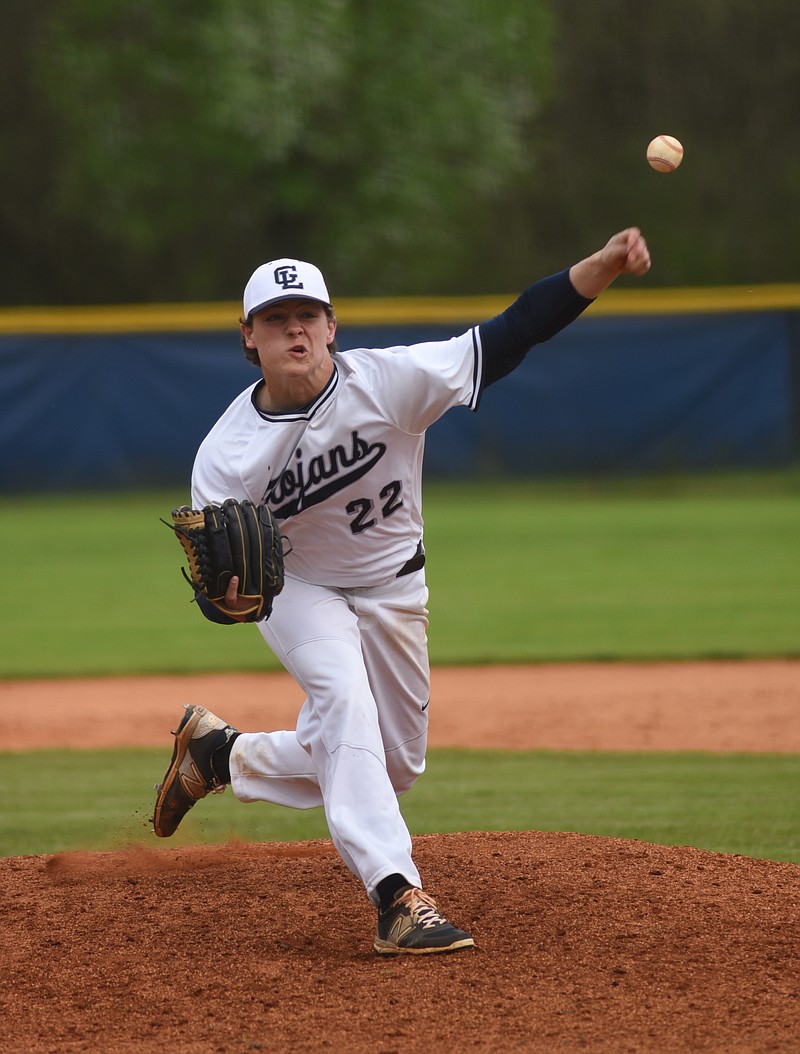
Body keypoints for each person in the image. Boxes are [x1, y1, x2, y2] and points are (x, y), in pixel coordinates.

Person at [153, 228, 651, 955]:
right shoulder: (224, 454)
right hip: (302, 590)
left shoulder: (388, 380)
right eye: (274, 318)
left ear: (331, 326)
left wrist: (602, 267)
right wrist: (223, 600)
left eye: (307, 314)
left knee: (392, 766)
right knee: (344, 702)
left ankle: (221, 757)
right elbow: (218, 590)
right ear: (248, 337)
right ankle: (397, 896)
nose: (294, 328)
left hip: (394, 587)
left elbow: (514, 334)